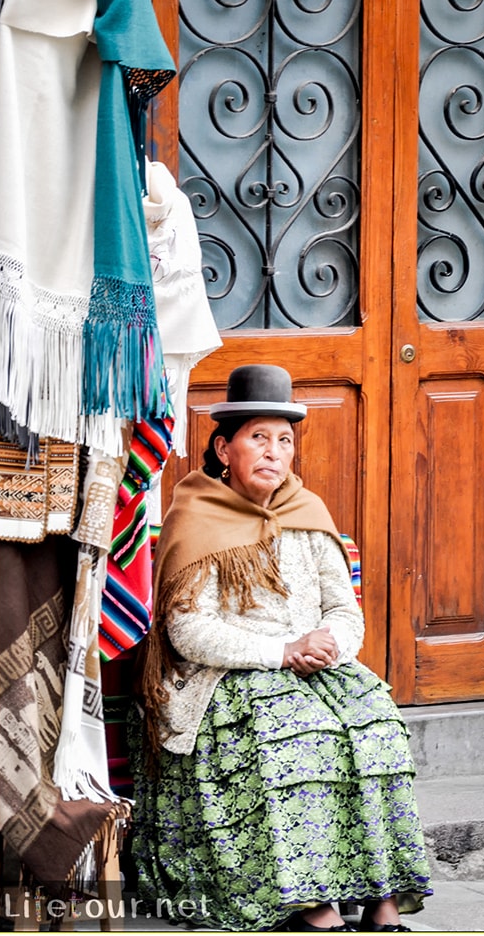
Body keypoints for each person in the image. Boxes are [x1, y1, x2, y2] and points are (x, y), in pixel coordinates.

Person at [130, 365, 432, 932]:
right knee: (295, 736)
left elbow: (345, 610)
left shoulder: (307, 514)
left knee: (376, 724)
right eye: (258, 437)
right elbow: (189, 633)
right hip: (223, 677)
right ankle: (310, 904)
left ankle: (380, 897)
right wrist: (282, 649)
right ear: (224, 447)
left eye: (285, 440)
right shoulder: (196, 515)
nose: (274, 451)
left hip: (314, 669)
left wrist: (329, 645)